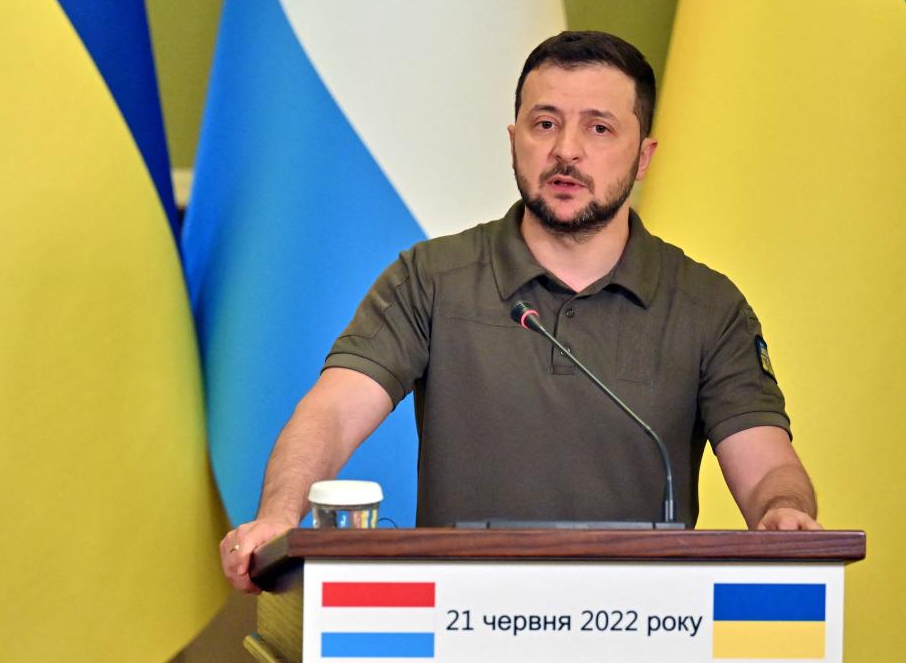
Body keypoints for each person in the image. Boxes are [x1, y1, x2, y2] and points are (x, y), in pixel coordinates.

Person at [220, 31, 819, 593]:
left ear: (643, 156)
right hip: (453, 652)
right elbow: (331, 413)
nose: (566, 150)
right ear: (514, 141)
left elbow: (766, 462)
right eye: (545, 123)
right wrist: (278, 516)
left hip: (642, 653)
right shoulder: (431, 280)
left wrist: (782, 512)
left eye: (600, 128)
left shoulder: (708, 307)